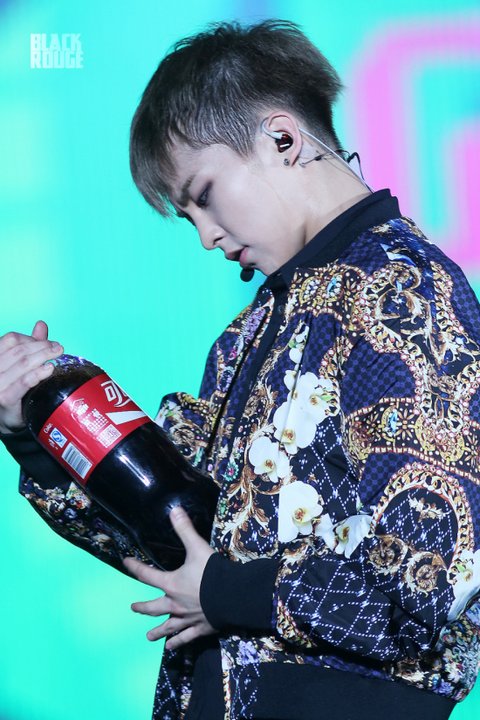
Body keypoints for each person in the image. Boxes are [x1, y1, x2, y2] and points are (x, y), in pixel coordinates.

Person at [1, 19, 480, 720]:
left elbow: (435, 582)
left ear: (283, 139)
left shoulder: (405, 294)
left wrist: (229, 592)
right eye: (186, 216)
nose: (205, 236)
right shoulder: (243, 338)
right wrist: (37, 427)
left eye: (204, 194)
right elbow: (171, 544)